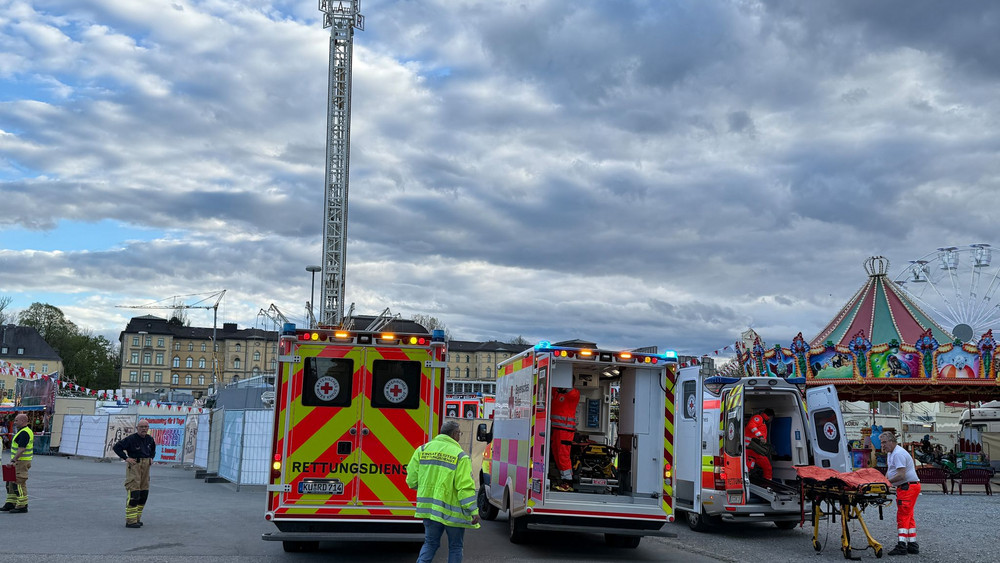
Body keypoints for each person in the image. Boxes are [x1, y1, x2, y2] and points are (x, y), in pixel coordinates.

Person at [406, 420, 479, 563]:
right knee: (455, 547)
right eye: (459, 433)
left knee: (430, 544)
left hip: (430, 511)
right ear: (454, 434)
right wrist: (473, 510)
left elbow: (411, 481)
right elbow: (464, 487)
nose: (460, 436)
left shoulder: (422, 450)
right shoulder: (460, 456)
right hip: (453, 513)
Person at [880, 431, 920, 555]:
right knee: (909, 515)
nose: (882, 445)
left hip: (907, 487)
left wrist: (886, 482)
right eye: (881, 443)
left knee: (902, 516)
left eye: (884, 442)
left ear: (892, 442)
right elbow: (891, 470)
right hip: (908, 487)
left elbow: (901, 475)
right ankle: (912, 544)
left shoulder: (898, 454)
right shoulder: (891, 453)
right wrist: (885, 482)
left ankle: (901, 545)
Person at [112, 419, 156, 528]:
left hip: (146, 466)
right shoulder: (131, 439)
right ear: (137, 428)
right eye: (141, 427)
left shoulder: (150, 439)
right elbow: (117, 447)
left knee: (143, 493)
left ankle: (137, 518)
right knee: (134, 493)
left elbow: (153, 450)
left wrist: (151, 457)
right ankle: (130, 521)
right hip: (135, 465)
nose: (144, 429)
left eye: (146, 427)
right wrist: (126, 458)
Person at [550, 387, 580, 491]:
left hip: (565, 431)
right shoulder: (557, 392)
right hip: (556, 429)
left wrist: (565, 385)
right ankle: (564, 480)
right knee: (557, 454)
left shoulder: (574, 393)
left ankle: (568, 482)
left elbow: (571, 393)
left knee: (563, 455)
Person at [1, 414, 33, 513]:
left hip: (21, 462)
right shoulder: (22, 431)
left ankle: (22, 505)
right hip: (18, 461)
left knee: (18, 482)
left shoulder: (24, 433)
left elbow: (22, 449)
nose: (14, 423)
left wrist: (13, 460)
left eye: (16, 420)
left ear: (23, 421)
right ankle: (11, 503)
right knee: (10, 482)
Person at [744, 408, 775, 480]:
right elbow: (751, 426)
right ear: (770, 416)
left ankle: (766, 484)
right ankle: (767, 484)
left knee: (765, 467)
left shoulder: (762, 422)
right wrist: (760, 436)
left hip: (755, 449)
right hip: (751, 447)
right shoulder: (758, 418)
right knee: (766, 467)